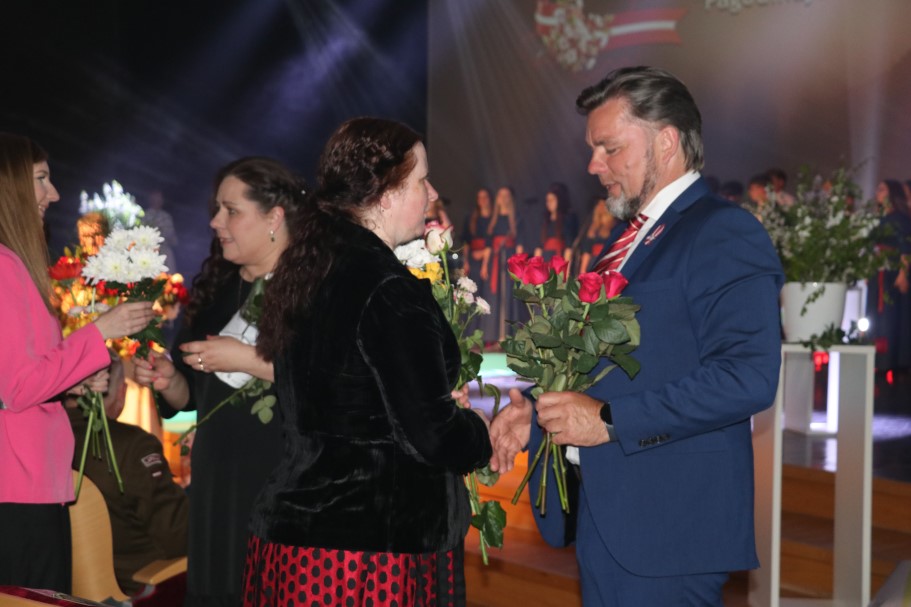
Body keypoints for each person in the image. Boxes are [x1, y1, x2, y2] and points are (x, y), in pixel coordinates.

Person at [489, 67, 783, 605]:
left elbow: (747, 376)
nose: (593, 165)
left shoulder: (723, 231)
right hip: (611, 524)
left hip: (669, 533)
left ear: (665, 142)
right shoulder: (626, 244)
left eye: (610, 147)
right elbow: (614, 370)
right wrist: (534, 413)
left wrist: (607, 421)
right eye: (593, 149)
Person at [243, 117, 492, 606]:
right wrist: (479, 430)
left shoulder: (312, 268)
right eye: (422, 180)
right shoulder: (387, 288)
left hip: (300, 539)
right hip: (366, 553)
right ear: (385, 195)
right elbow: (432, 435)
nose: (432, 193)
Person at [133, 157, 306, 607]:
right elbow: (193, 396)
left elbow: (332, 383)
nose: (215, 222)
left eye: (231, 211)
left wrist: (251, 360)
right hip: (216, 483)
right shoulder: (216, 291)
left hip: (282, 485)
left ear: (274, 217)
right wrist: (169, 380)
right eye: (217, 209)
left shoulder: (313, 292)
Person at [0, 132, 156, 592]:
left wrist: (71, 382)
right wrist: (99, 331)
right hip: (18, 484)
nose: (53, 194)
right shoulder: (4, 266)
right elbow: (17, 388)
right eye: (41, 178)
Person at [66, 354, 189, 596]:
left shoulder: (40, 442)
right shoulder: (133, 446)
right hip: (139, 589)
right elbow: (178, 535)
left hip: (63, 589)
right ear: (121, 393)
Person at [867, 179, 911, 375]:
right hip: (877, 272)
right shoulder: (879, 218)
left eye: (882, 189)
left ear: (892, 194)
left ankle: (892, 360)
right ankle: (877, 359)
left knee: (891, 316)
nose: (878, 192)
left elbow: (905, 248)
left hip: (892, 272)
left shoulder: (900, 218)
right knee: (876, 316)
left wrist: (903, 274)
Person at [576, 196, 615, 274]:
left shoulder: (614, 226)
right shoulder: (593, 227)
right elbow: (587, 249)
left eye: (603, 204)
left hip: (605, 263)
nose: (600, 207)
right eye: (599, 204)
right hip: (592, 262)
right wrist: (582, 270)